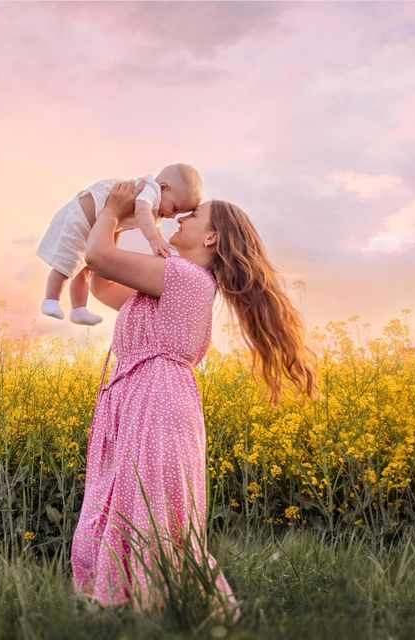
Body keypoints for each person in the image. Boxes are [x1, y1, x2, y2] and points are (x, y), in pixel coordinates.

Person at [70, 180, 321, 621]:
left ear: (211, 237)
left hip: (156, 398)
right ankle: (151, 607)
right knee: (136, 505)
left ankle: (151, 609)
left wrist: (111, 208)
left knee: (144, 509)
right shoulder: (172, 277)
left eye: (193, 216)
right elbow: (104, 286)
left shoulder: (184, 276)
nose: (180, 218)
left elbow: (96, 259)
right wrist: (119, 221)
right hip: (145, 395)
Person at [37, 164, 203, 326]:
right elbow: (142, 212)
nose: (172, 217)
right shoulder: (150, 191)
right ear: (164, 187)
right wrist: (153, 240)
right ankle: (51, 299)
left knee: (86, 269)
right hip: (81, 218)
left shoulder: (157, 207)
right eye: (174, 208)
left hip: (95, 225)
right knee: (66, 262)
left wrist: (158, 243)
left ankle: (78, 308)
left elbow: (152, 227)